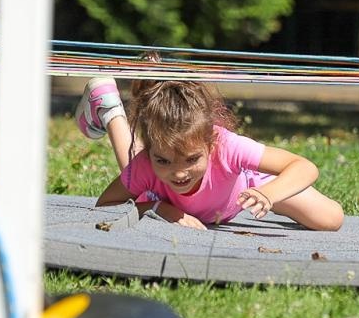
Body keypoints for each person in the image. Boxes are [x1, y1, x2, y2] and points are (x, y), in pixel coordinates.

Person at [76, 76, 345, 231]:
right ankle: (108, 108)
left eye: (192, 159)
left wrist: (268, 195)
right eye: (163, 159)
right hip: (160, 192)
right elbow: (104, 208)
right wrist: (159, 208)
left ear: (210, 143)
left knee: (331, 219)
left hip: (246, 190)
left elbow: (304, 167)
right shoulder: (147, 164)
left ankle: (109, 109)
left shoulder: (228, 147)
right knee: (136, 168)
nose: (180, 172)